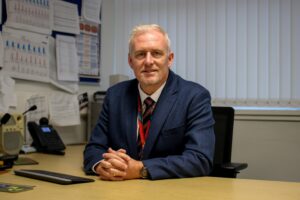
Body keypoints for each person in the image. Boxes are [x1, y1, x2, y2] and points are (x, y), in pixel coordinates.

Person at [83, 24, 215, 180]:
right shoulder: (115, 95)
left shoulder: (194, 96)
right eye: (140, 54)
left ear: (170, 59)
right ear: (130, 61)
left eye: (156, 53)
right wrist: (102, 166)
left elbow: (199, 159)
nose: (148, 61)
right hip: (121, 191)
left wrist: (140, 169)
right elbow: (94, 148)